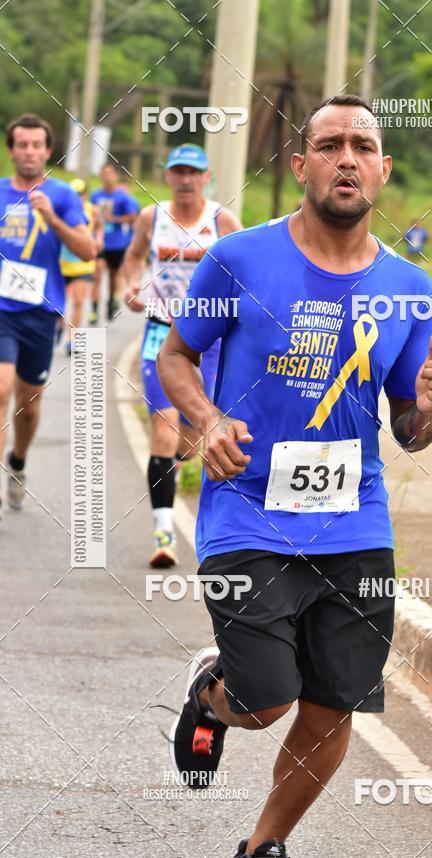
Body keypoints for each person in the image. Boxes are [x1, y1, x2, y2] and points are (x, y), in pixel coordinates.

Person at [157, 95, 432, 858]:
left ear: (384, 169)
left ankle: (264, 849)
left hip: (355, 521)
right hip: (248, 510)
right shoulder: (238, 259)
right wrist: (207, 420)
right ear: (300, 165)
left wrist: (428, 410)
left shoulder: (409, 287)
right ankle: (213, 696)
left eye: (363, 145)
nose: (346, 157)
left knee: (332, 704)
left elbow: (409, 428)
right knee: (264, 700)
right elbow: (176, 356)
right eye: (329, 144)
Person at [122, 144, 241, 568]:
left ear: (207, 177)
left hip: (209, 341)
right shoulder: (151, 218)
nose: (186, 179)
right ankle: (164, 535)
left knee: (189, 442)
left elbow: (247, 271)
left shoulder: (222, 221)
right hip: (161, 331)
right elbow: (133, 257)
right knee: (163, 428)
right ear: (168, 176)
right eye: (178, 172)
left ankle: (174, 464)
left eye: (194, 172)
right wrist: (130, 285)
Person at [0, 114, 95, 520]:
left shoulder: (62, 195)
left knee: (29, 401)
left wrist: (53, 219)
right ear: (11, 150)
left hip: (40, 312)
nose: (29, 152)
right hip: (1, 309)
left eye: (36, 145)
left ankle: (18, 460)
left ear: (47, 151)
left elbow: (88, 250)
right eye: (22, 145)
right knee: (1, 387)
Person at [90, 162, 140, 323]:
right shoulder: (95, 196)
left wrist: (114, 219)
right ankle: (93, 311)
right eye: (104, 174)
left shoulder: (122, 197)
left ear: (115, 176)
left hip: (116, 243)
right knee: (97, 274)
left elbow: (132, 217)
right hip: (99, 242)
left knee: (113, 276)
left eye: (110, 174)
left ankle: (112, 299)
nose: (107, 177)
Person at [59, 178, 103, 354]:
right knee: (57, 303)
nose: (77, 197)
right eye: (73, 194)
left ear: (85, 195)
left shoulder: (92, 210)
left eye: (80, 194)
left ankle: (72, 339)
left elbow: (99, 227)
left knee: (78, 302)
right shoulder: (60, 209)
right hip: (62, 264)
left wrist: (99, 240)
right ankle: (59, 324)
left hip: (83, 265)